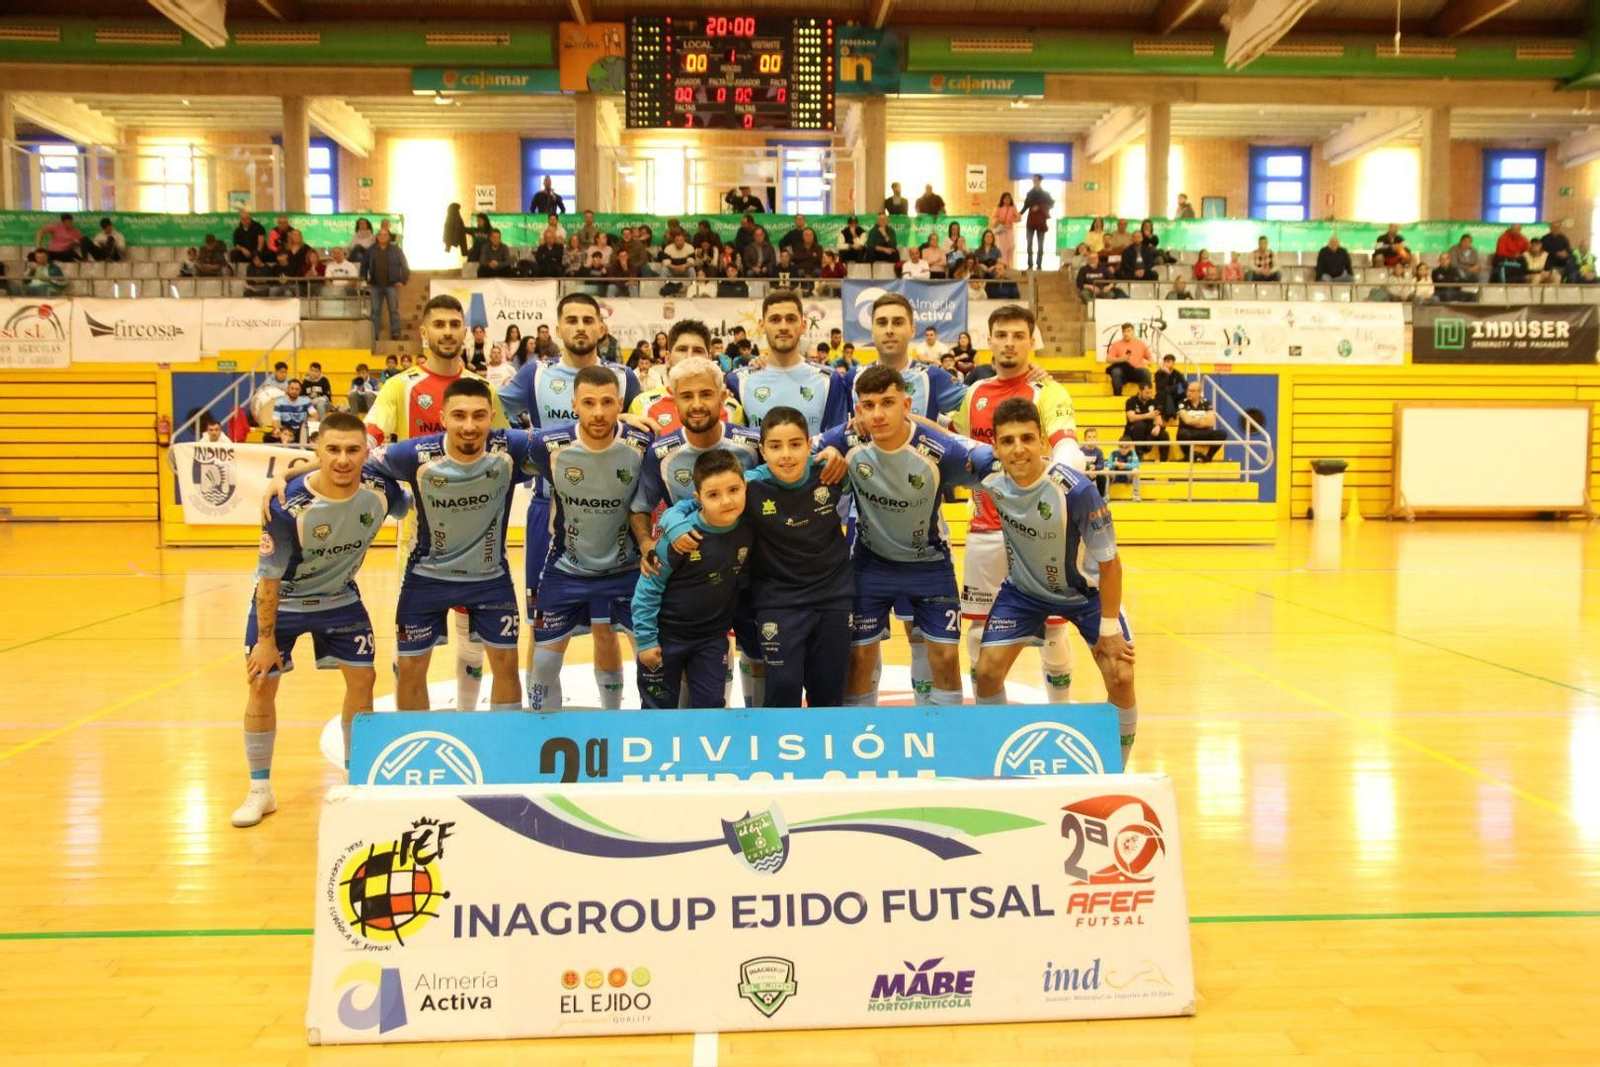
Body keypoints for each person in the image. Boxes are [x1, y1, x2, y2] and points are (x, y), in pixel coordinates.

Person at [233, 412, 409, 828]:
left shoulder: (381, 490)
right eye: (332, 450)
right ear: (317, 449)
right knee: (260, 683)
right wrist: (266, 640)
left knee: (363, 682)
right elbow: (269, 580)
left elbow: (408, 493)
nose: (343, 459)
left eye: (353, 450)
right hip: (285, 602)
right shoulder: (286, 503)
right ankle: (260, 789)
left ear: (367, 453)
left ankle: (355, 777)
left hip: (339, 599)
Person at [972, 397, 1139, 767]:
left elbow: (1110, 563)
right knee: (985, 672)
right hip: (1023, 593)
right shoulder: (988, 472)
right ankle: (997, 759)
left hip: (1086, 596)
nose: (1018, 449)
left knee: (1121, 675)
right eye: (1008, 440)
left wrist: (1109, 628)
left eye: (1027, 438)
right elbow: (944, 442)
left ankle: (1117, 768)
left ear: (1044, 442)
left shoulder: (1077, 491)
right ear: (995, 446)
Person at [817, 364, 992, 708]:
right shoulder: (847, 439)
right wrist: (828, 453)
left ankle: (941, 743)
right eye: (868, 406)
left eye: (888, 403)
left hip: (929, 564)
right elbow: (791, 455)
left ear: (906, 404)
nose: (878, 414)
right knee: (860, 659)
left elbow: (995, 462)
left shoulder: (941, 451)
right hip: (870, 564)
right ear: (858, 410)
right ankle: (861, 741)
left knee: (943, 658)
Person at [497, 293, 643, 702]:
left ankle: (612, 711)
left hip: (613, 510)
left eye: (588, 320)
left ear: (601, 328)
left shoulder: (625, 377)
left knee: (606, 623)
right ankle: (539, 713)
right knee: (541, 621)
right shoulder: (535, 374)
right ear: (557, 329)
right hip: (551, 509)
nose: (580, 326)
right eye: (571, 320)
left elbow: (639, 427)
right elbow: (495, 411)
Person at [659, 406, 851, 708]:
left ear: (809, 445)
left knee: (828, 689)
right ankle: (780, 751)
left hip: (833, 596)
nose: (786, 455)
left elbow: (861, 444)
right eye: (775, 446)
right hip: (778, 599)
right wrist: (674, 523)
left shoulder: (829, 472)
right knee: (784, 685)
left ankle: (824, 752)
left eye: (795, 444)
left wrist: (842, 457)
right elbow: (689, 504)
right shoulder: (749, 484)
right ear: (762, 449)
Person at [360, 379, 530, 712]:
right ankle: (417, 745)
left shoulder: (510, 446)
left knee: (507, 665)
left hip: (489, 579)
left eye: (479, 416)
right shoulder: (414, 453)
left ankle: (499, 749)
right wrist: (397, 499)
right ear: (443, 418)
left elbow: (568, 436)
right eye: (460, 416)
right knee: (409, 669)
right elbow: (361, 461)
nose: (469, 426)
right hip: (426, 578)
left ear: (492, 417)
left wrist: (621, 421)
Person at [953, 305, 1083, 704]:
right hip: (986, 530)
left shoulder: (1049, 391)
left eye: (1018, 335)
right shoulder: (974, 393)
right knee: (977, 634)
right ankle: (995, 719)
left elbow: (1067, 450)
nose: (1009, 343)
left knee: (1055, 631)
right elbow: (959, 445)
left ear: (1032, 341)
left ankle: (1059, 712)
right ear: (989, 340)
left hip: (1038, 532)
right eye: (1002, 335)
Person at [521, 366, 653, 711]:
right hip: (566, 570)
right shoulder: (547, 445)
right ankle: (540, 733)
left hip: (627, 572)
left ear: (620, 404)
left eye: (607, 402)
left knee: (652, 660)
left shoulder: (642, 442)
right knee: (545, 663)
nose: (598, 412)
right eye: (589, 403)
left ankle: (633, 725)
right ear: (573, 404)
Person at [631, 449, 756, 709]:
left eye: (733, 490)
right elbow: (647, 588)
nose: (726, 501)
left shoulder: (748, 526)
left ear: (745, 486)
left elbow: (769, 472)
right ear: (698, 498)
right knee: (656, 709)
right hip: (665, 638)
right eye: (713, 495)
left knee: (710, 707)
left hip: (711, 639)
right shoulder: (681, 537)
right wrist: (645, 640)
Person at [726, 290, 851, 434]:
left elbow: (838, 441)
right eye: (775, 319)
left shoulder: (830, 381)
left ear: (803, 326)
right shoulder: (737, 381)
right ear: (761, 326)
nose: (783, 326)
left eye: (791, 319)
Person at [362, 225, 409, 346]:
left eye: (385, 235)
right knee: (375, 311)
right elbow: (364, 266)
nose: (382, 237)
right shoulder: (370, 250)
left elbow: (405, 266)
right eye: (380, 234)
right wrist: (363, 280)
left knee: (393, 310)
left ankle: (395, 333)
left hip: (391, 285)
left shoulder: (396, 250)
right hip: (375, 285)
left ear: (388, 237)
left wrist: (402, 281)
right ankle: (375, 335)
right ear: (377, 237)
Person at [1176, 380, 1226, 461]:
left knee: (1222, 434)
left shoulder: (1206, 403)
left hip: (1203, 432)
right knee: (1182, 434)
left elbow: (1211, 422)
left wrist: (1194, 420)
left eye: (1192, 391)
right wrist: (1202, 420)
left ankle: (1208, 457)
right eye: (1188, 390)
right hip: (1188, 432)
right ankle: (1189, 456)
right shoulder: (1182, 403)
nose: (1189, 393)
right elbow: (1187, 421)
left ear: (1199, 392)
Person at [1105, 323, 1153, 396]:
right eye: (1124, 331)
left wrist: (1150, 361)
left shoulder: (1140, 344)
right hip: (1123, 373)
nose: (1126, 333)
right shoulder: (1117, 344)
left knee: (1146, 372)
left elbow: (1149, 357)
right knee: (1115, 372)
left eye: (1128, 331)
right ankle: (1117, 396)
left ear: (1133, 331)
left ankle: (1145, 396)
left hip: (1136, 371)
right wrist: (1122, 359)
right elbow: (1108, 359)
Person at [1122, 382, 1165, 460]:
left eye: (1150, 393)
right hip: (1133, 429)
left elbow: (1159, 418)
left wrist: (1158, 426)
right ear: (1140, 391)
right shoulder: (1131, 401)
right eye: (1147, 393)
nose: (1149, 395)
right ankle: (1139, 454)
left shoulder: (1153, 402)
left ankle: (1164, 460)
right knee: (1139, 425)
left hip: (1148, 430)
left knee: (1164, 434)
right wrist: (1147, 415)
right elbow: (1131, 418)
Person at [1021, 175, 1055, 271]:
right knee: (1029, 243)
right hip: (1031, 220)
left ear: (1040, 181)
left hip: (1041, 221)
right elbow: (1026, 205)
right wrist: (1019, 214)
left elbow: (1052, 204)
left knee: (1040, 244)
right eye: (1033, 180)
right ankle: (1030, 264)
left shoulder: (1046, 194)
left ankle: (1039, 264)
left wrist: (1040, 207)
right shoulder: (1029, 193)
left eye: (1036, 180)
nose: (1034, 181)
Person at [989, 192, 1019, 269]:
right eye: (1005, 198)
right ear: (1002, 199)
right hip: (1001, 231)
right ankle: (1003, 265)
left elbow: (1019, 218)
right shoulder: (998, 208)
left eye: (1008, 198)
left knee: (1011, 246)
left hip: (1009, 230)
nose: (1007, 200)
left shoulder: (1013, 208)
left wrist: (1011, 219)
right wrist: (999, 220)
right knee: (1002, 249)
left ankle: (1008, 264)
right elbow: (993, 219)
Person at [1153, 353, 1186, 422]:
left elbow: (1185, 385)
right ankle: (1170, 414)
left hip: (1174, 397)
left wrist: (1190, 390)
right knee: (1166, 392)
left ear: (1173, 363)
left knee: (1188, 392)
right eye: (1164, 362)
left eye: (1168, 362)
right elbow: (1161, 387)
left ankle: (1185, 410)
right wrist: (1166, 374)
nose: (1166, 363)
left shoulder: (1177, 373)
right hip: (1162, 398)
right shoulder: (1158, 373)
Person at [1080, 427, 1107, 497]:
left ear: (1096, 439)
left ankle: (1102, 497)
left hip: (1094, 474)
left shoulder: (1099, 452)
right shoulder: (1080, 451)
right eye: (1089, 437)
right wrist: (1087, 471)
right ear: (1085, 439)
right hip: (1083, 473)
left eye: (1094, 437)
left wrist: (1095, 467)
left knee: (1102, 476)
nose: (1092, 439)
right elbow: (1078, 464)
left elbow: (1101, 465)